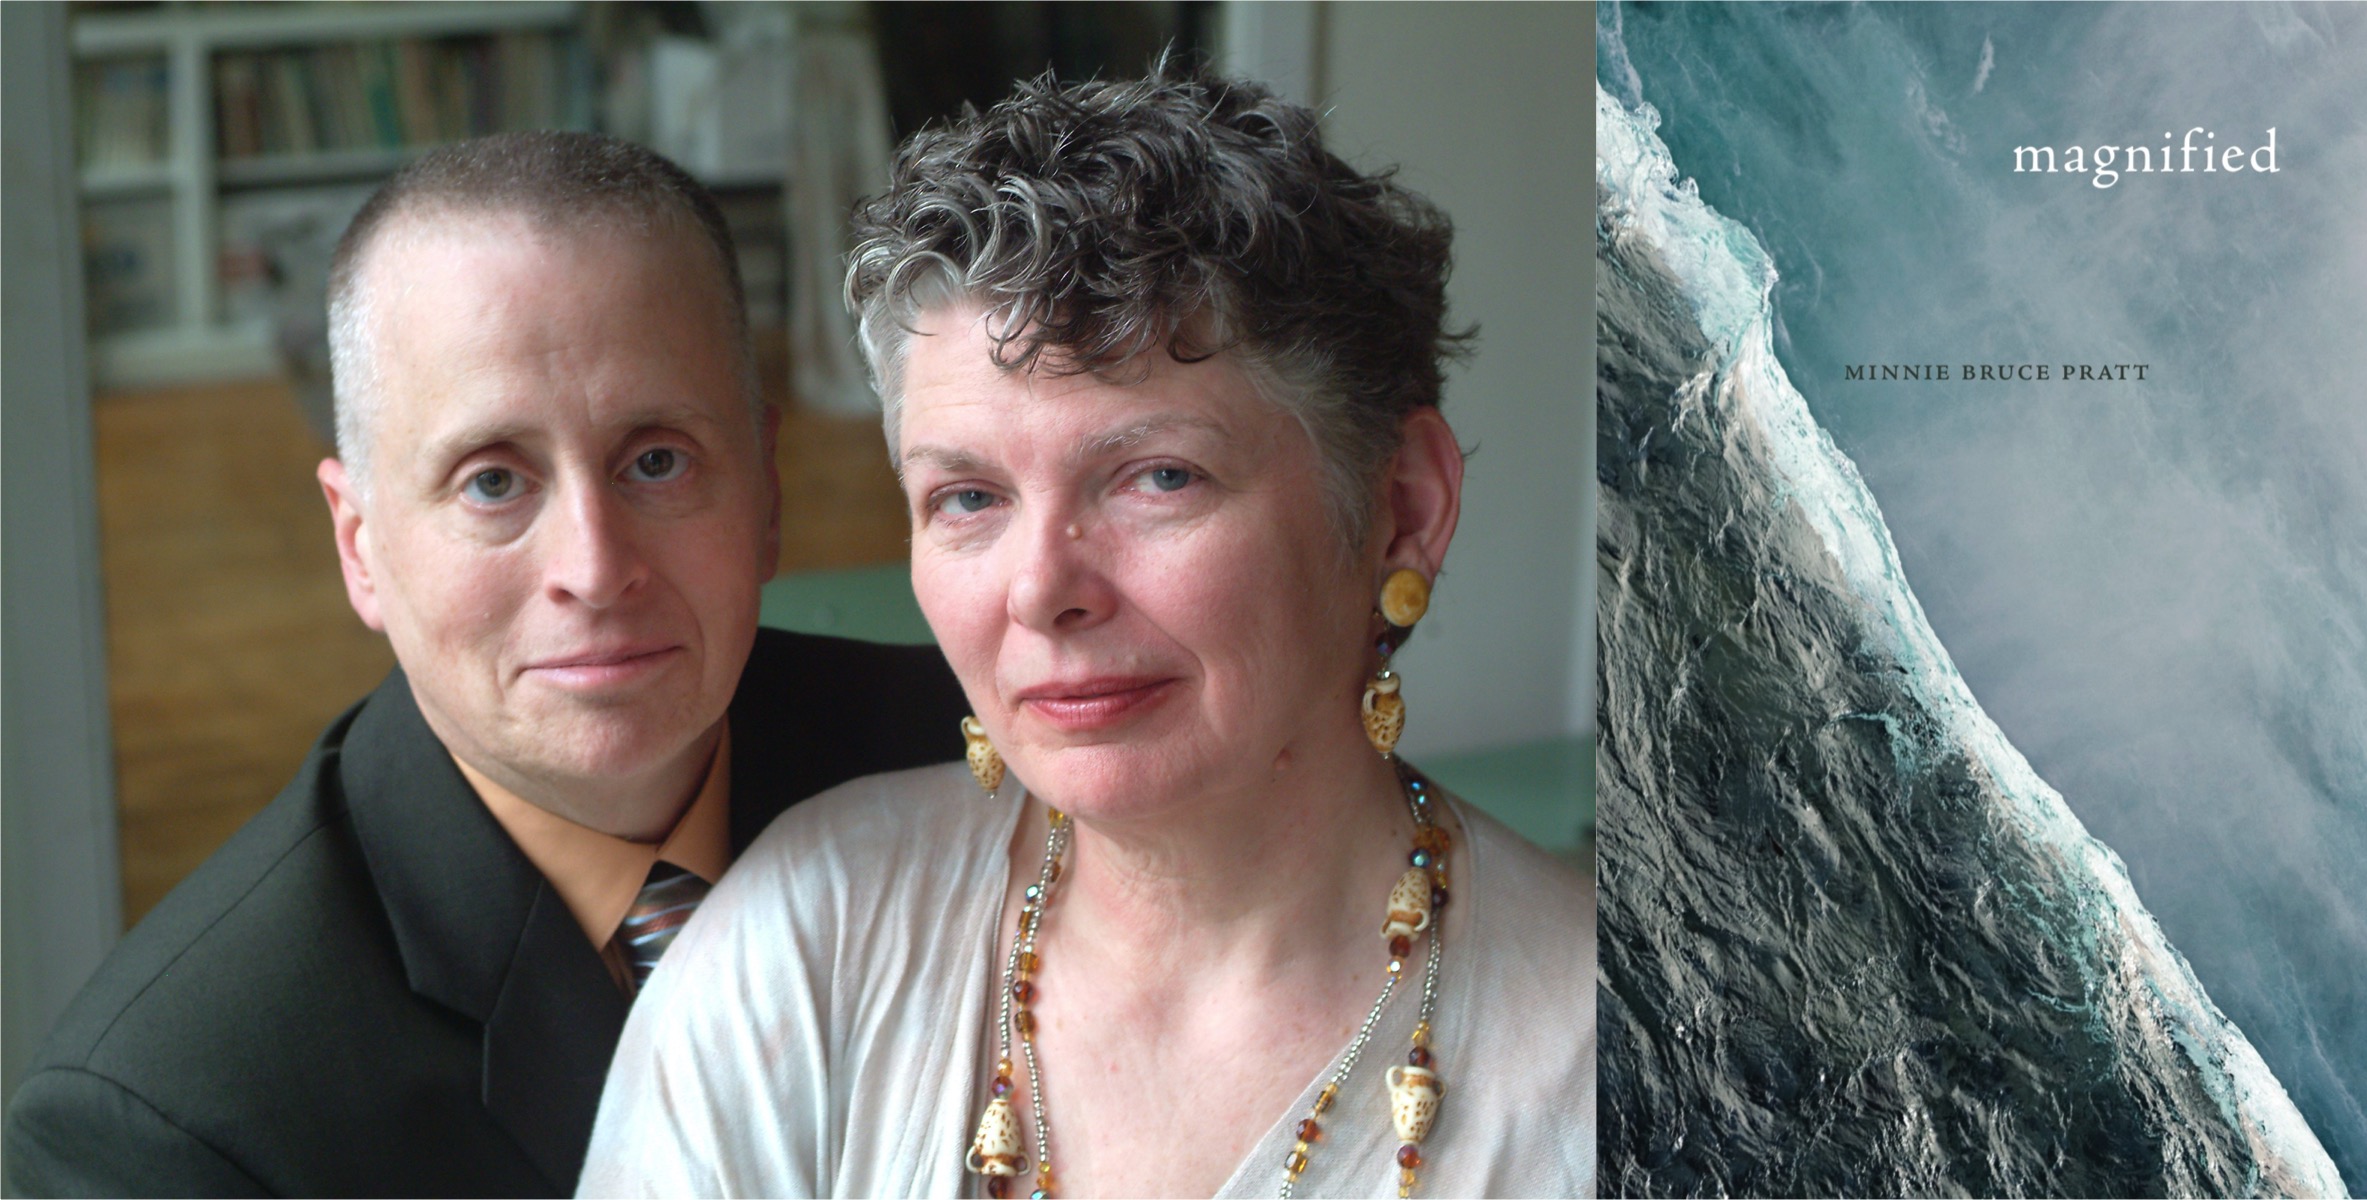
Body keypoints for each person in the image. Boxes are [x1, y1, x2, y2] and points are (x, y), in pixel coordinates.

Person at [579, 73, 1595, 1198]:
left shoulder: (1615, 1076)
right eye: (967, 498)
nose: (1041, 590)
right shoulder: (800, 948)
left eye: (1158, 477)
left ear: (1402, 507)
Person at [2, 133, 966, 1197]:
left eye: (656, 460)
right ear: (359, 544)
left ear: (768, 495)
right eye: (492, 483)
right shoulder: (167, 1121)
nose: (595, 570)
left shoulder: (977, 758)